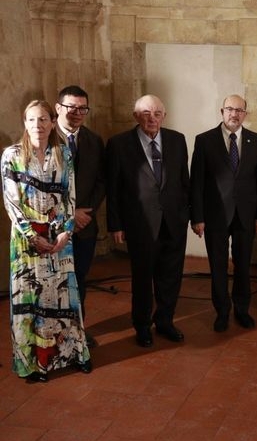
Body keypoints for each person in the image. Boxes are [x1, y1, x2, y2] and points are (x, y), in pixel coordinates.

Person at [2, 100, 91, 382]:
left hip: (59, 240)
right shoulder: (11, 156)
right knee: (30, 302)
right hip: (27, 245)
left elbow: (69, 197)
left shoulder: (63, 153)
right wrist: (33, 236)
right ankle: (32, 365)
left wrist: (66, 231)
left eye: (42, 120)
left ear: (52, 122)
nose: (37, 125)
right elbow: (11, 204)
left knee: (65, 300)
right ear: (24, 124)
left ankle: (74, 354)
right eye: (31, 120)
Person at [106, 95, 190, 348]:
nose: (151, 118)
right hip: (140, 223)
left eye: (156, 113)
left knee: (171, 276)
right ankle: (142, 325)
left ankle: (165, 321)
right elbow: (113, 188)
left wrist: (188, 215)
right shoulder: (119, 144)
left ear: (164, 116)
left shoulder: (177, 140)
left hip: (173, 221)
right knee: (142, 278)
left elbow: (184, 181)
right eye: (145, 113)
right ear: (135, 116)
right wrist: (116, 224)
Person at [190, 95, 257, 332]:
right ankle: (222, 312)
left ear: (245, 113)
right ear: (222, 111)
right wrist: (198, 217)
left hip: (246, 215)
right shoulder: (204, 140)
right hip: (215, 216)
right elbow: (197, 182)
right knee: (218, 266)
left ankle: (242, 310)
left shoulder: (256, 141)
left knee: (244, 266)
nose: (234, 114)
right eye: (230, 109)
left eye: (239, 110)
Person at [55, 85, 105, 348]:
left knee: (79, 280)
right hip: (53, 229)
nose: (76, 113)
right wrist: (68, 215)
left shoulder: (94, 140)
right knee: (55, 283)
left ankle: (78, 331)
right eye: (70, 107)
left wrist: (86, 213)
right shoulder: (44, 137)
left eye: (82, 108)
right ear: (58, 108)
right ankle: (55, 334)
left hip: (85, 226)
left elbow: (101, 181)